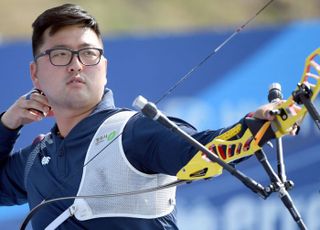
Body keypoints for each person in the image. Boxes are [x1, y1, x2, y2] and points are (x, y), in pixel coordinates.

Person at [0, 4, 291, 230]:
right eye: (61, 55)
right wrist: (6, 125)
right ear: (34, 73)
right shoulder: (37, 158)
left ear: (104, 67)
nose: (76, 65)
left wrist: (259, 124)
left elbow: (205, 152)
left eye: (89, 54)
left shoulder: (134, 132)